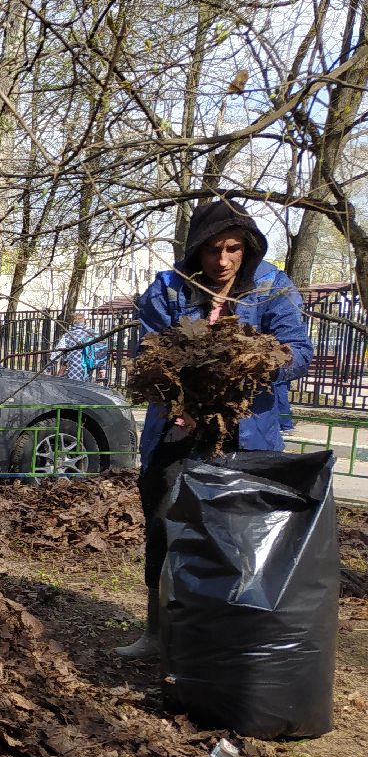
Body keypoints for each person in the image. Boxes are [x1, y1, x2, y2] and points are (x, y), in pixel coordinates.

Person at [115, 198, 312, 659]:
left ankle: (226, 642)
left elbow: (298, 351)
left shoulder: (272, 287)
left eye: (233, 249)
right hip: (177, 432)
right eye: (211, 250)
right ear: (195, 252)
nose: (222, 261)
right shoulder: (168, 288)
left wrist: (254, 363)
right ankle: (158, 632)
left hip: (246, 433)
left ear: (248, 249)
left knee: (237, 536)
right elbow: (152, 350)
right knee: (165, 526)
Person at [48, 312, 105, 381]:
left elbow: (56, 354)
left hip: (72, 370)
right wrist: (102, 369)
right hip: (87, 368)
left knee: (72, 388)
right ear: (84, 320)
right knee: (84, 387)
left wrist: (48, 368)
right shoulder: (93, 334)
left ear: (72, 322)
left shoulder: (67, 336)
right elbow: (101, 351)